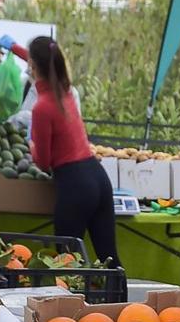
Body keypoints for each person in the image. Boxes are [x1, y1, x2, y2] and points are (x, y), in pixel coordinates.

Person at [27, 35, 119, 268]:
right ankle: (121, 303)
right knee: (109, 257)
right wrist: (21, 51)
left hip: (75, 184)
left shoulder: (42, 108)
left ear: (33, 66)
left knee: (66, 261)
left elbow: (44, 162)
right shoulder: (65, 92)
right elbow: (47, 61)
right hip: (98, 177)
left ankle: (71, 305)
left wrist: (32, 147)